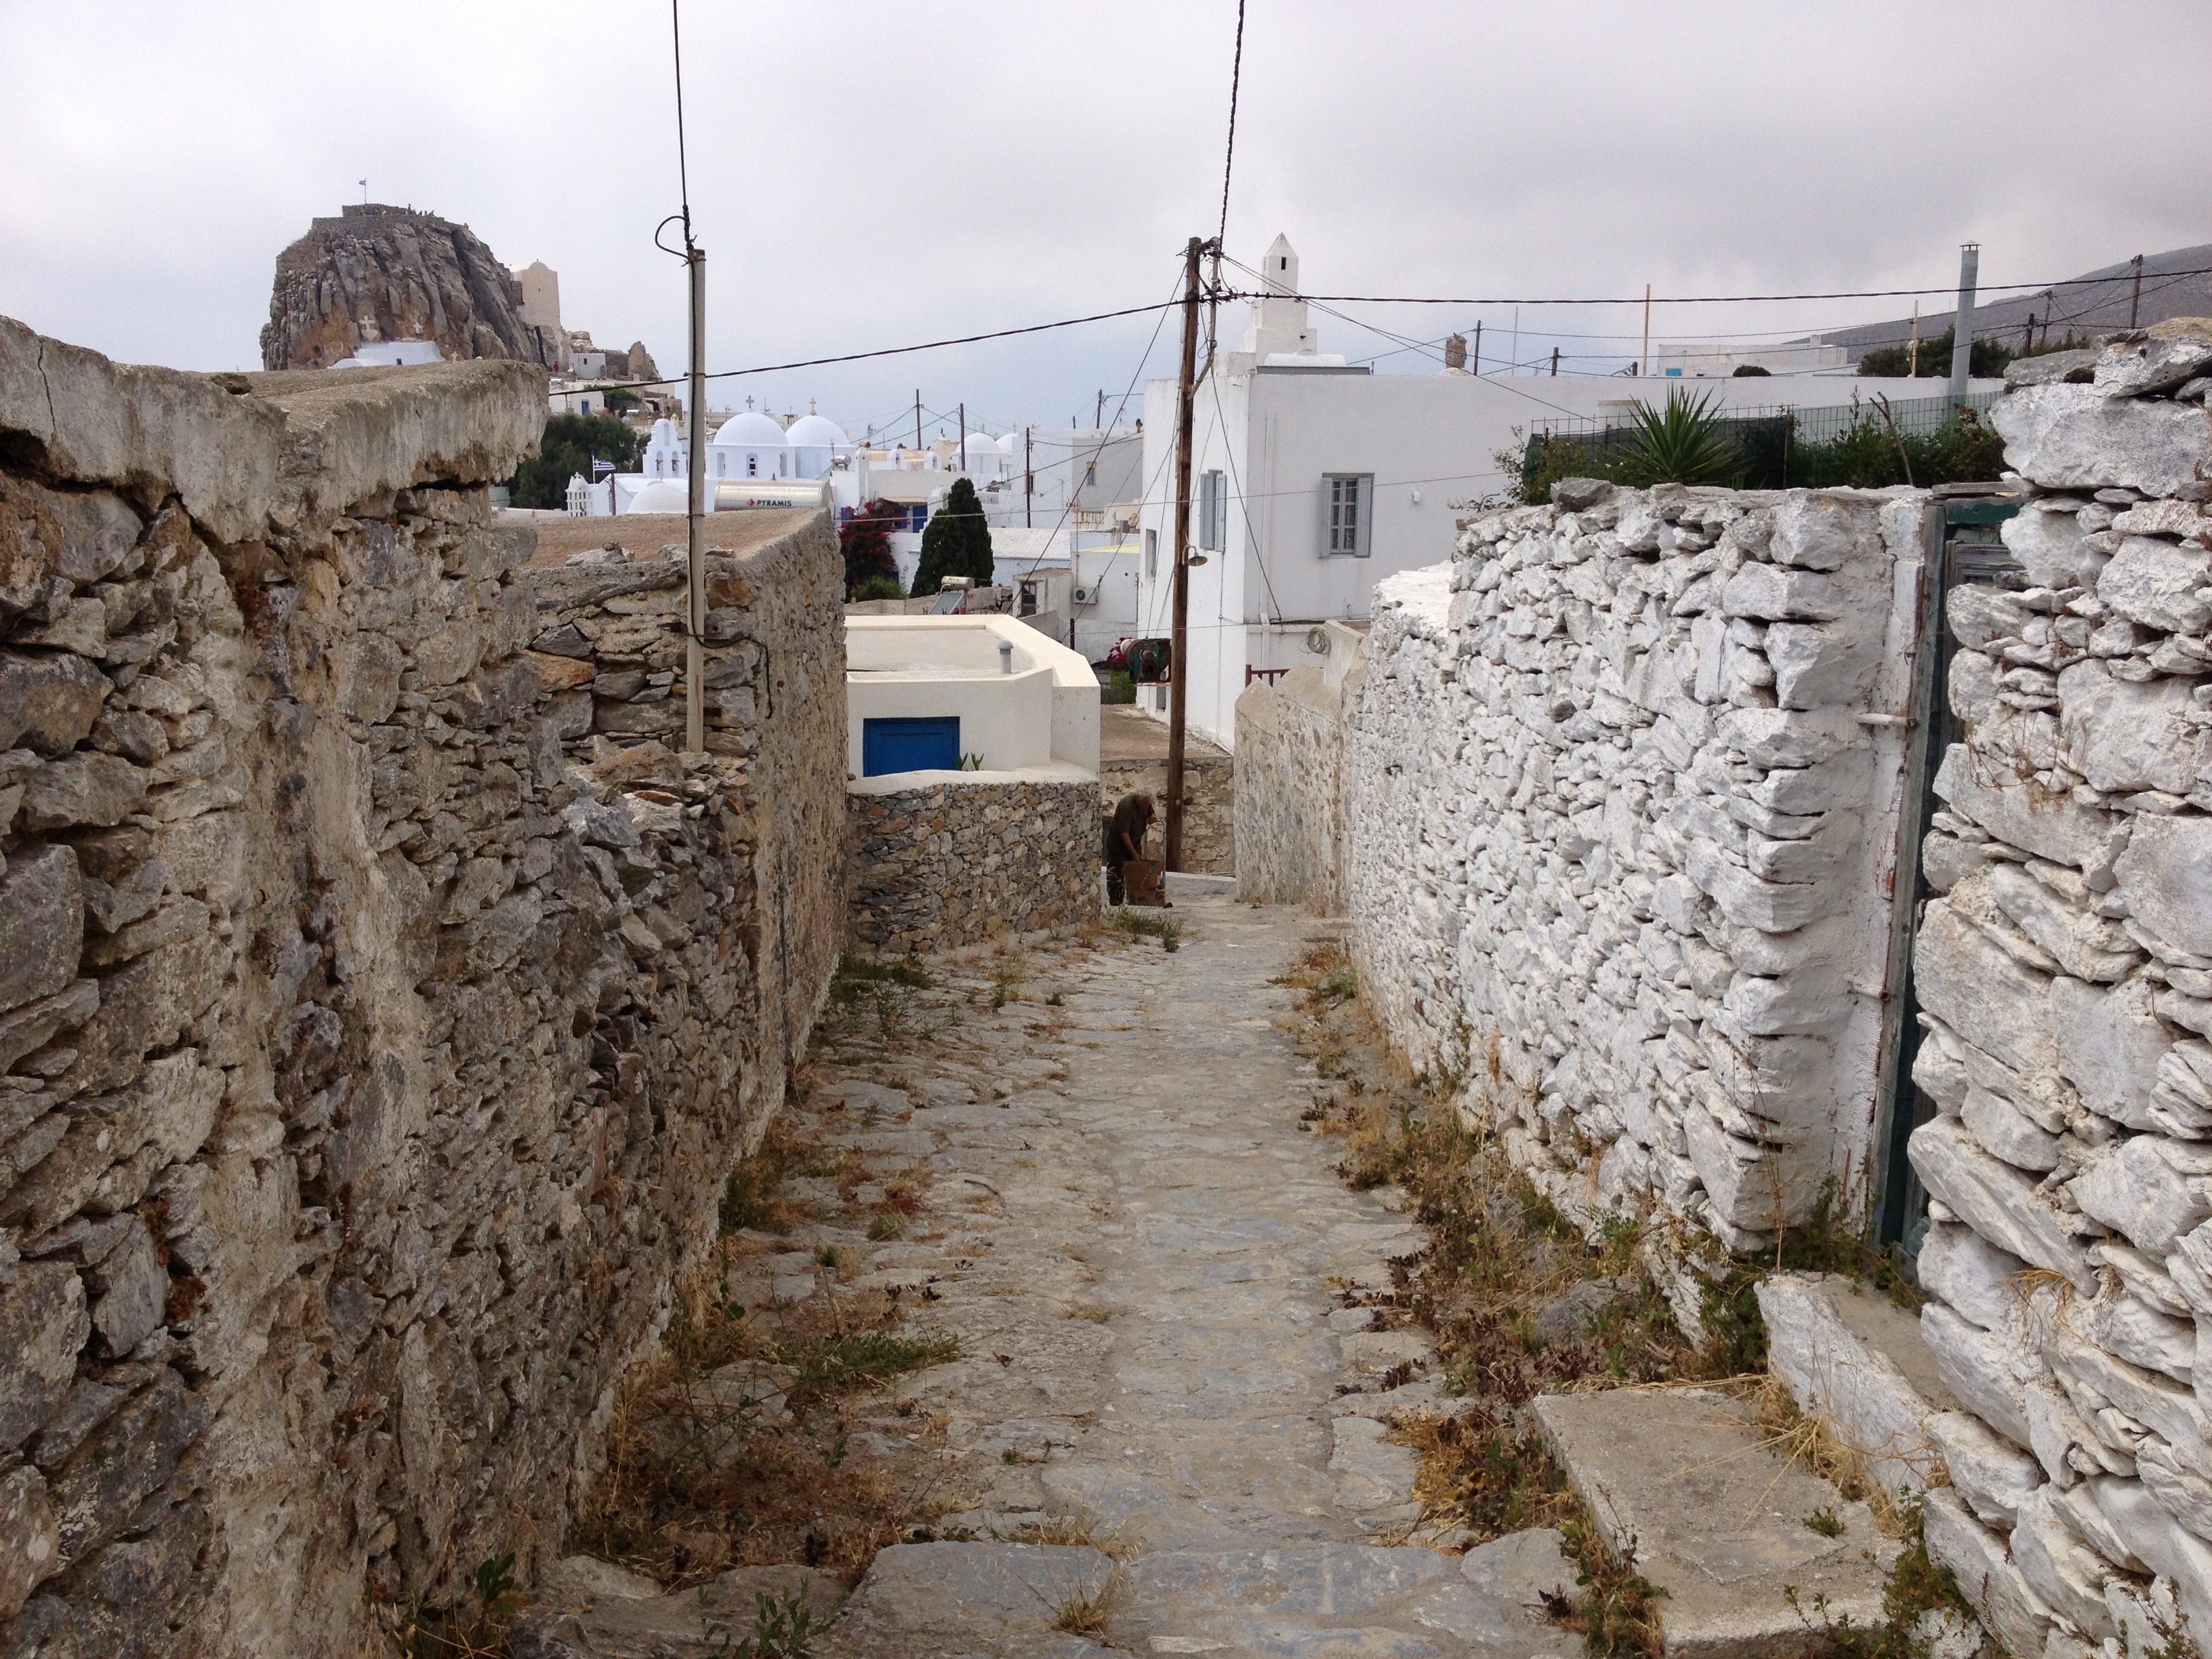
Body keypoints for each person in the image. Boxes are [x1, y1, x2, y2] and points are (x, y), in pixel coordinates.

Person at [1103, 791, 1156, 906]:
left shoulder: (1145, 803)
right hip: (1118, 845)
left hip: (1135, 841)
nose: (1146, 806)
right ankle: (1116, 902)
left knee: (1135, 871)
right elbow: (1124, 834)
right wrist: (1134, 853)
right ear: (1139, 799)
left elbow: (1150, 813)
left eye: (1148, 804)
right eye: (1145, 804)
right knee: (1116, 873)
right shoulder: (1126, 807)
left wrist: (1152, 817)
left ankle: (1134, 899)